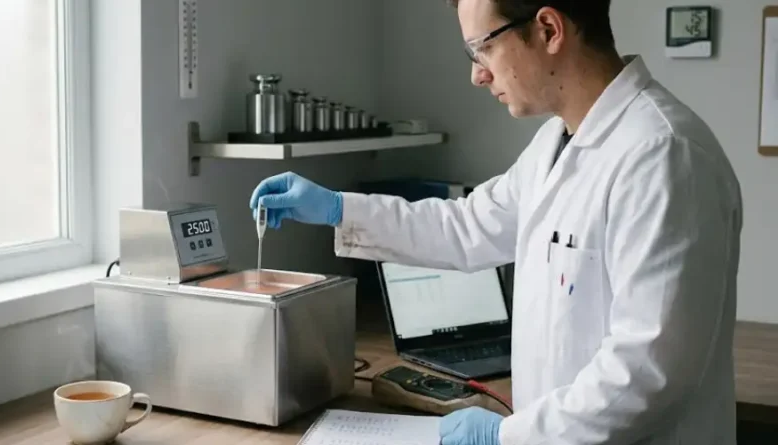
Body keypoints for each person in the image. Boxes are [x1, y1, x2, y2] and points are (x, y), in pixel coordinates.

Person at [250, 0, 743, 443]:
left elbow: (647, 371)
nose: (477, 75)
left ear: (549, 30)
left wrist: (508, 437)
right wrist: (339, 208)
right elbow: (464, 227)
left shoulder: (663, 155)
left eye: (480, 49)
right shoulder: (557, 143)